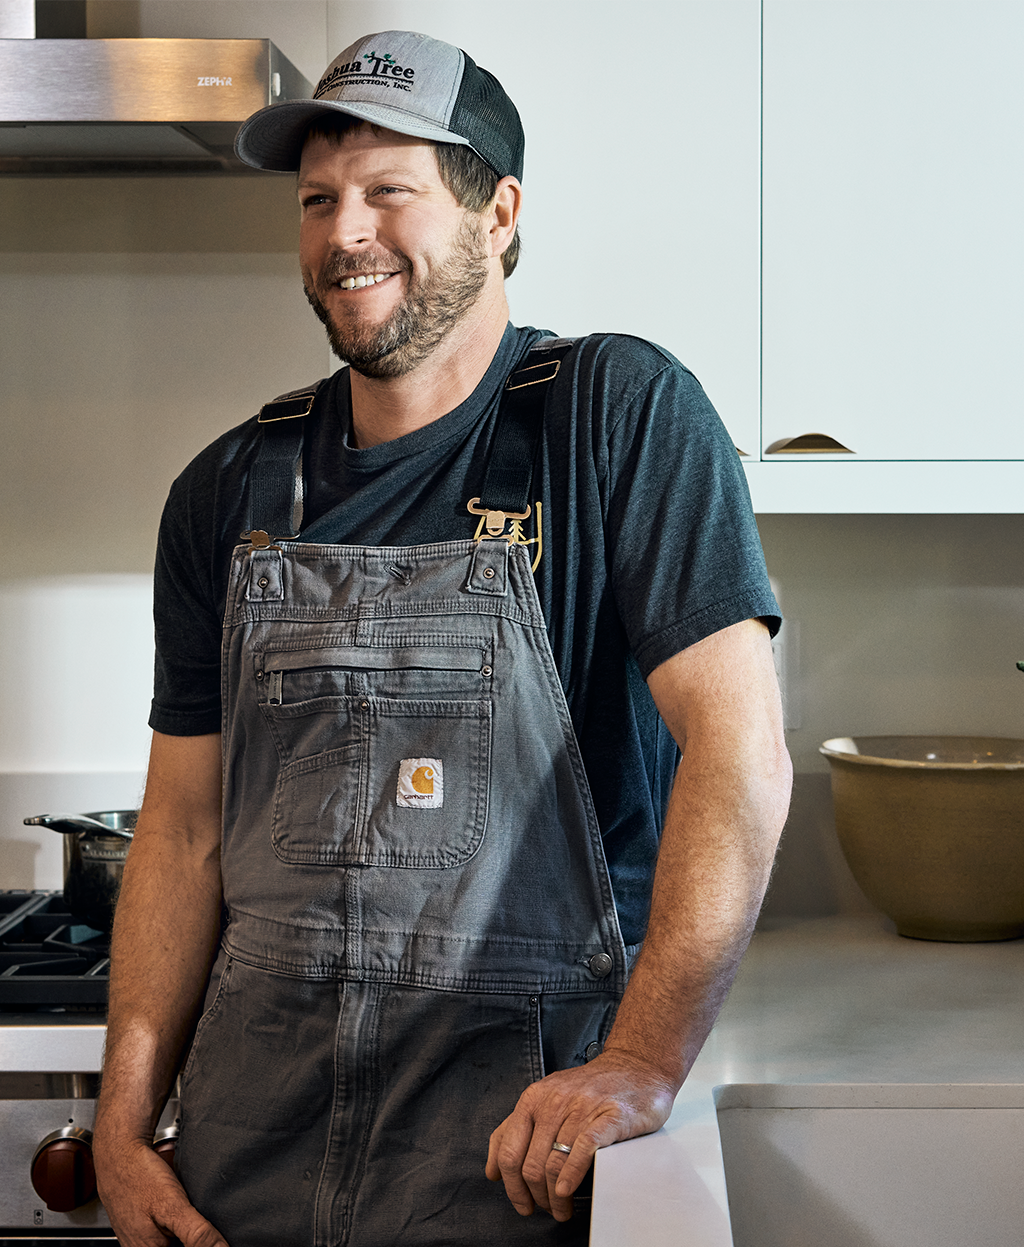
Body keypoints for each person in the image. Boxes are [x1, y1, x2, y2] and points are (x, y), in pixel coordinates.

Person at [94, 29, 791, 1247]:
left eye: (389, 191)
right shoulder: (227, 490)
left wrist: (639, 1063)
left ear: (499, 213)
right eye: (318, 199)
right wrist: (120, 1119)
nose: (344, 233)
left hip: (519, 1157)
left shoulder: (616, 418)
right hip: (245, 1166)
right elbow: (183, 827)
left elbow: (740, 760)